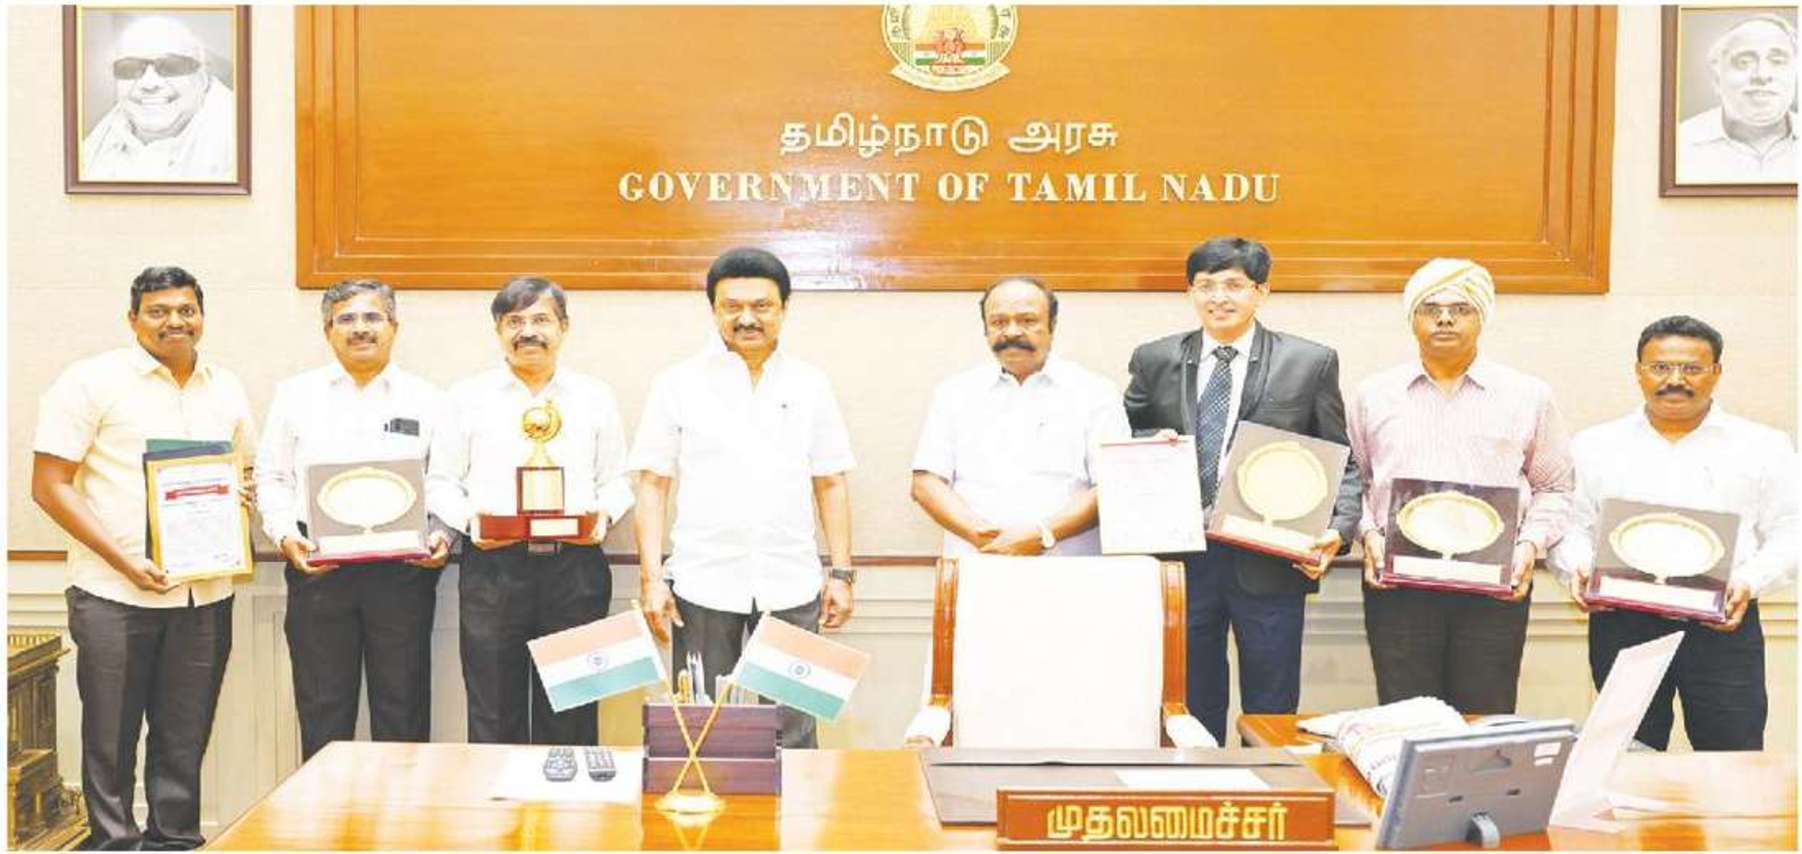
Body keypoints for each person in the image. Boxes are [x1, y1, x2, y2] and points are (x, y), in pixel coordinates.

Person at [30, 266, 255, 849]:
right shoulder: (90, 382)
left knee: (185, 735)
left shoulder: (225, 387)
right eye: (158, 311)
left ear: (202, 316)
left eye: (186, 310)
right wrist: (124, 561)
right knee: (111, 738)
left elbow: (245, 470)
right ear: (133, 320)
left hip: (204, 593)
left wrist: (240, 496)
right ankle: (113, 843)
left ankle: (174, 841)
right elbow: (49, 485)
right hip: (114, 593)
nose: (174, 321)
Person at [1123, 237, 1361, 744]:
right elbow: (1121, 439)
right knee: (1190, 704)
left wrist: (1339, 531)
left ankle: (1271, 786)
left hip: (1271, 560)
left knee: (1271, 706)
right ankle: (1197, 785)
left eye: (1233, 285)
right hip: (1182, 561)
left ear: (1261, 292)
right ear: (1190, 292)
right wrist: (1148, 444)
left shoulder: (1309, 362)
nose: (1218, 298)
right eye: (1205, 286)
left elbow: (1340, 458)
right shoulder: (1154, 359)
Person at [631, 247, 856, 749]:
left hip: (792, 580)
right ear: (713, 310)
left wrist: (841, 573)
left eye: (762, 306)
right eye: (732, 307)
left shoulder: (810, 384)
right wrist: (651, 579)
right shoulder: (677, 383)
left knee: (796, 729)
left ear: (784, 309)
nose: (747, 318)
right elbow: (653, 484)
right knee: (705, 730)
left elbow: (831, 481)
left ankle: (795, 803)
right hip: (702, 581)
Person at [1551, 316, 1796, 750]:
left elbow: (1791, 530)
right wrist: (1579, 567)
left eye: (1692, 368)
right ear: (1639, 371)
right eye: (1661, 367)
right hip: (1622, 622)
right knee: (1624, 757)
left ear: (1716, 372)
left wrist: (1749, 581)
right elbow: (1571, 525)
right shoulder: (1595, 445)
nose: (1676, 380)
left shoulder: (1763, 446)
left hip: (1723, 623)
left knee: (1732, 756)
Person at [1349, 257, 1574, 714]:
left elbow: (1554, 488)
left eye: (1461, 309)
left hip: (1493, 586)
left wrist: (1528, 546)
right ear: (1412, 318)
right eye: (1431, 308)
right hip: (1399, 586)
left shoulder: (1527, 395)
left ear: (1482, 317)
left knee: (1485, 718)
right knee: (1406, 718)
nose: (1445, 319)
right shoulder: (1373, 394)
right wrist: (1369, 535)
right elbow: (1353, 481)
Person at [426, 276, 634, 745]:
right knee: (493, 711)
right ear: (498, 330)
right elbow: (440, 482)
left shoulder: (594, 396)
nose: (528, 332)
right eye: (514, 321)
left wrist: (602, 517)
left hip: (575, 570)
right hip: (493, 570)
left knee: (573, 714)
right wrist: (472, 524)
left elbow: (618, 480)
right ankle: (500, 797)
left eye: (541, 320)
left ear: (564, 327)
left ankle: (569, 795)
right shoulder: (466, 397)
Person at [254, 279, 453, 761]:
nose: (360, 328)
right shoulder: (295, 395)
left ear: (393, 326)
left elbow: (445, 479)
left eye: (372, 317)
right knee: (323, 708)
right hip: (319, 568)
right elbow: (272, 477)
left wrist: (443, 533)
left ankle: (401, 809)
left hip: (404, 571)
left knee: (403, 707)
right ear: (328, 330)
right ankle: (326, 810)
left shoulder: (428, 398)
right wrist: (285, 536)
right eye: (346, 319)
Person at [910, 276, 1129, 558]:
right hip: (978, 562)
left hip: (1068, 567)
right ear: (985, 329)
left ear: (1052, 326)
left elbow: (1113, 484)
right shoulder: (954, 393)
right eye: (999, 322)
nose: (1012, 332)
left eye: (1027, 320)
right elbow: (926, 483)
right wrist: (985, 538)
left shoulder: (1095, 393)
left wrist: (1044, 534)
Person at [80, 15, 236, 182]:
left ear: (203, 79)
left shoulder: (243, 147)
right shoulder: (95, 146)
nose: (149, 83)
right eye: (129, 68)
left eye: (172, 66)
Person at [1677, 14, 1798, 182]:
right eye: (1744, 62)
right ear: (1716, 79)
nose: (1762, 75)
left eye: (1777, 61)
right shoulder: (1679, 143)